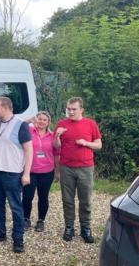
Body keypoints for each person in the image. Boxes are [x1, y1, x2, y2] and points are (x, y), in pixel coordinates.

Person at [0, 97, 32, 253]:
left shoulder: (20, 125)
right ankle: (0, 233)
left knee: (15, 207)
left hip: (12, 173)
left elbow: (28, 150)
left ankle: (18, 238)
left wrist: (26, 174)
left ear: (6, 108)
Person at [53, 97, 102, 243]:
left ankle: (85, 228)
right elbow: (55, 146)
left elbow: (99, 145)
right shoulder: (61, 124)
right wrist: (57, 135)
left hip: (86, 168)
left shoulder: (90, 124)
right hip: (66, 167)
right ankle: (69, 228)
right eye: (69, 109)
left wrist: (86, 143)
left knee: (85, 200)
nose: (71, 112)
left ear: (82, 110)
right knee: (67, 200)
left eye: (74, 109)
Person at [22, 111, 60, 232]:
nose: (42, 122)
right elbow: (19, 126)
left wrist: (57, 171)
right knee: (27, 197)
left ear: (48, 122)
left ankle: (41, 220)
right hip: (30, 170)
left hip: (47, 171)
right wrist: (29, 120)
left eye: (45, 120)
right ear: (36, 120)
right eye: (39, 119)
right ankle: (26, 219)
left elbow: (57, 153)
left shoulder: (52, 135)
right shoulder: (29, 131)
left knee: (43, 197)